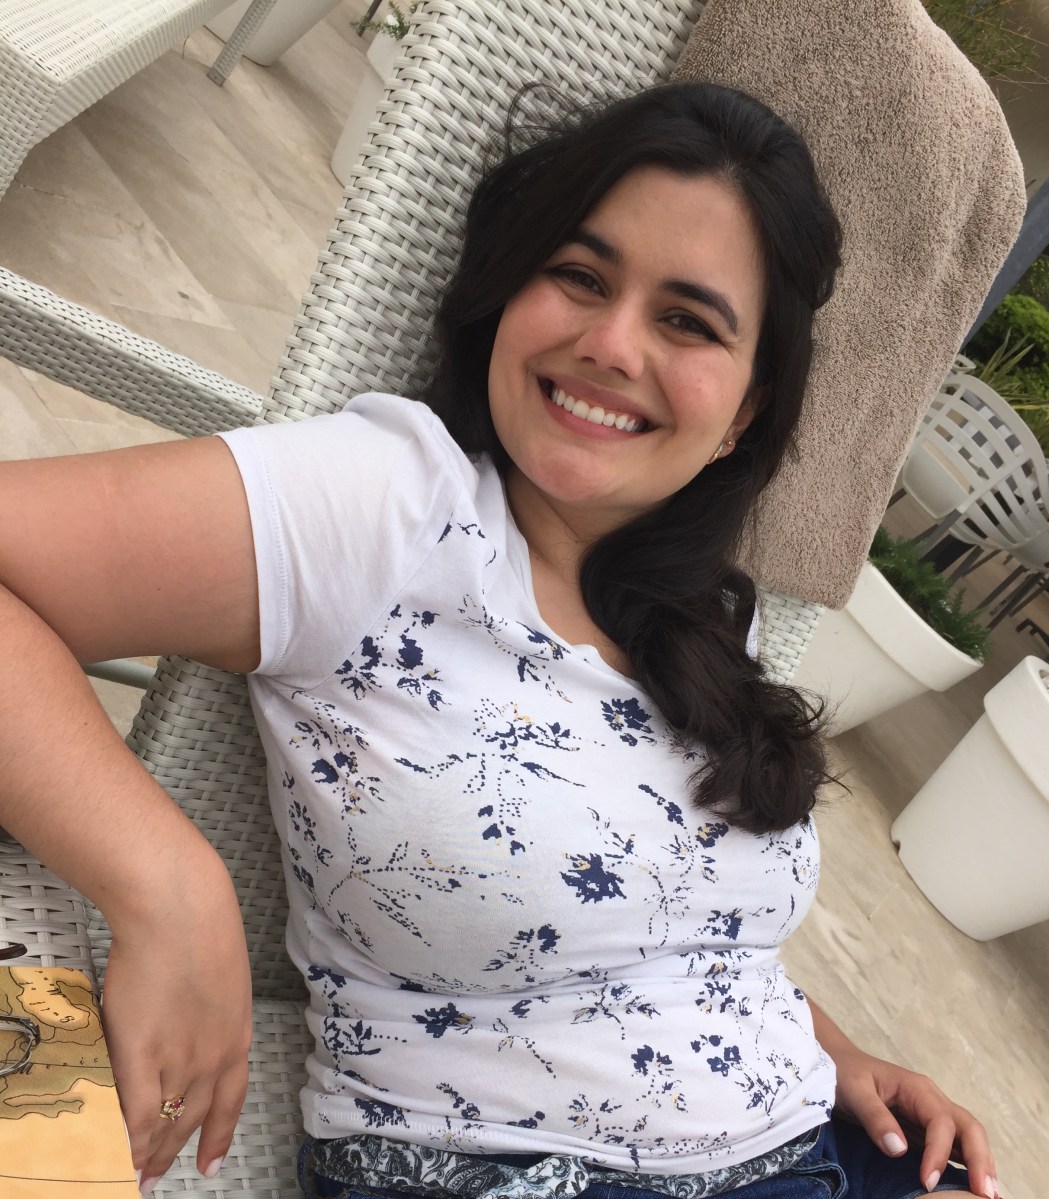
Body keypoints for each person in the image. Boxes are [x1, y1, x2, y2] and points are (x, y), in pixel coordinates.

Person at [0, 83, 996, 1199]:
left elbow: (671, 924)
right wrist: (166, 884)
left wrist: (831, 1050)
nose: (609, 343)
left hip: (828, 1146)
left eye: (686, 320)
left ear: (746, 410)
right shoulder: (390, 504)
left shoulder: (708, 610)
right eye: (579, 275)